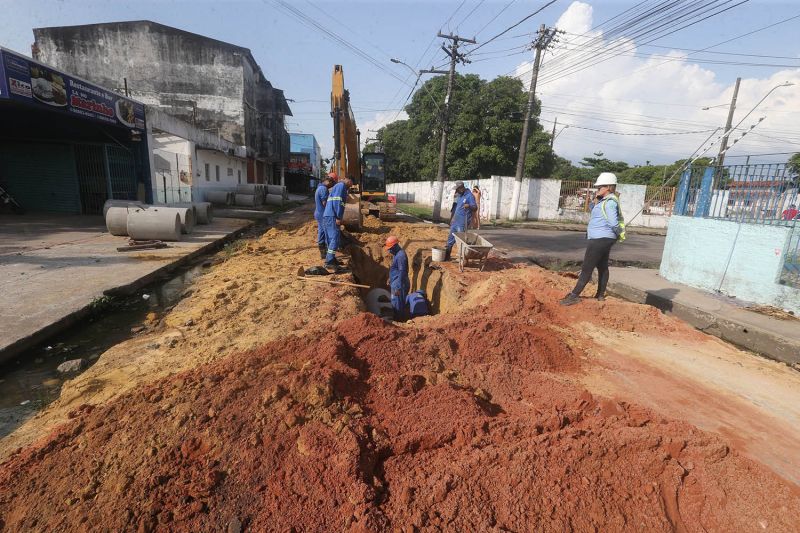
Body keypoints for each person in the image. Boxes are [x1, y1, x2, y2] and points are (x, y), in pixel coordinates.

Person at [560, 172, 625, 306]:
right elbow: (592, 209)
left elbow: (613, 222)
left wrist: (618, 233)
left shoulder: (610, 202)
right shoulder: (603, 200)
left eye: (600, 187)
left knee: (587, 267)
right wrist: (595, 198)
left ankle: (574, 296)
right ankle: (600, 295)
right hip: (601, 238)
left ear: (608, 187)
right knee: (602, 266)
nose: (597, 189)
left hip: (601, 238)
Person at [322, 176, 352, 268]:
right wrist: (338, 217)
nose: (351, 186)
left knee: (330, 239)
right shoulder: (341, 186)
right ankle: (329, 261)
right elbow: (338, 202)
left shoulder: (337, 186)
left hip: (328, 215)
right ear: (347, 179)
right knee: (335, 238)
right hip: (333, 215)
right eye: (351, 183)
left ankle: (331, 258)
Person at [444, 181, 477, 261]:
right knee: (450, 239)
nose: (456, 191)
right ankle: (447, 256)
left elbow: (475, 208)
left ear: (461, 188)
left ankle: (462, 258)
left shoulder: (470, 196)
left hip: (462, 223)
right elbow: (457, 208)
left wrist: (468, 205)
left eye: (457, 189)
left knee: (460, 241)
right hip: (455, 222)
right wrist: (453, 218)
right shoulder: (460, 195)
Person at [385, 235, 409, 321]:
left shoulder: (401, 256)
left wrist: (398, 287)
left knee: (397, 304)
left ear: (395, 246)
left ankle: (399, 322)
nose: (389, 250)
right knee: (395, 302)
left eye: (390, 248)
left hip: (399, 285)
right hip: (396, 283)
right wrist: (390, 279)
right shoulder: (397, 254)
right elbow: (396, 270)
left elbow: (402, 272)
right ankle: (397, 318)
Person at [314, 175, 333, 259]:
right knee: (326, 232)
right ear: (327, 181)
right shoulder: (323, 189)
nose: (331, 185)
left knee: (321, 231)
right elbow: (324, 203)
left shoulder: (319, 187)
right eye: (331, 182)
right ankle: (327, 253)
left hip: (318, 213)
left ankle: (323, 253)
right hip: (323, 214)